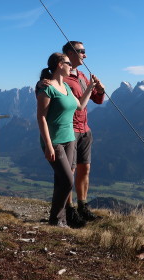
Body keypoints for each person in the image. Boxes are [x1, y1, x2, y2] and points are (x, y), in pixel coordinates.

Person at [36, 52, 95, 227]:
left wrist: (91, 87)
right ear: (60, 65)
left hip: (70, 140)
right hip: (54, 141)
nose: (71, 66)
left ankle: (60, 219)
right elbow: (41, 118)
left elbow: (80, 106)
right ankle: (55, 219)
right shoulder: (47, 88)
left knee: (62, 180)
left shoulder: (66, 88)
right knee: (68, 180)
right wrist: (48, 145)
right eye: (68, 63)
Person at [61, 41, 105, 224]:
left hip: (84, 129)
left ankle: (82, 205)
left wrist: (100, 88)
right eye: (82, 51)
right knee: (70, 170)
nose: (85, 55)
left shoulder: (81, 76)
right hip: (70, 128)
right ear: (70, 53)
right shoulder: (61, 78)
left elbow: (97, 100)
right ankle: (69, 210)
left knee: (84, 168)